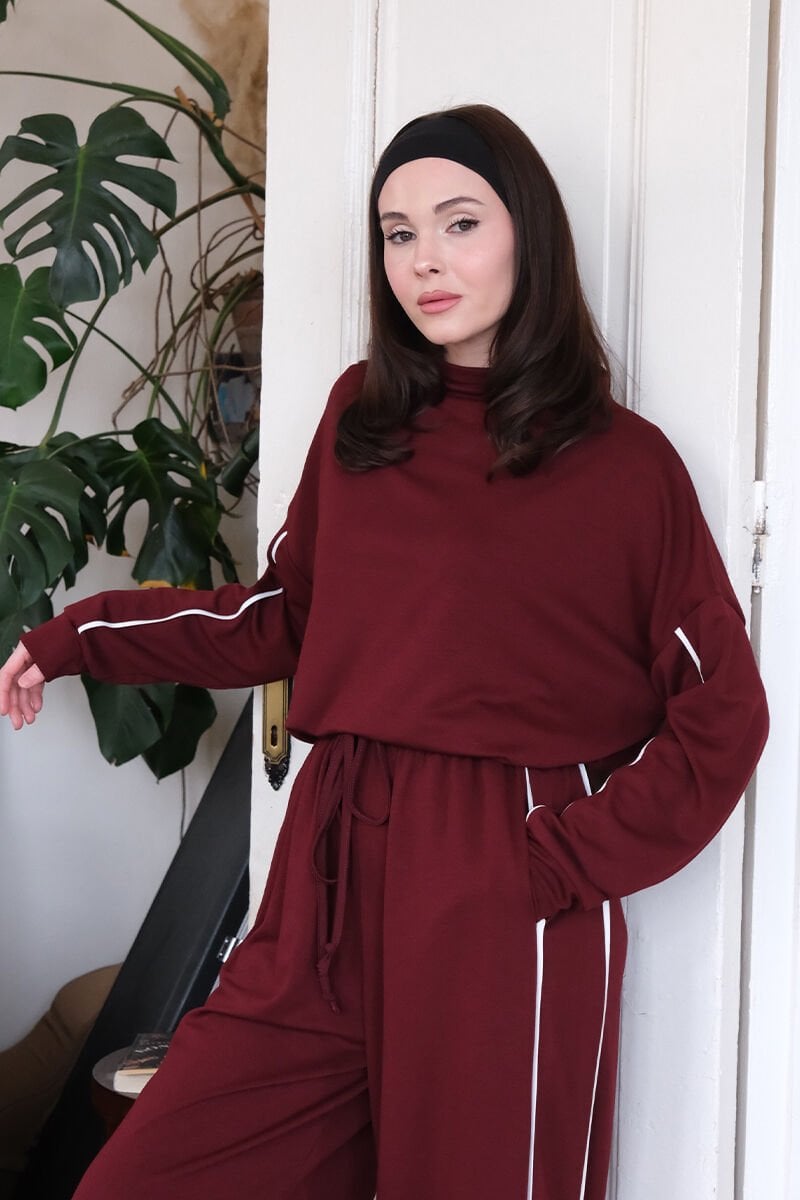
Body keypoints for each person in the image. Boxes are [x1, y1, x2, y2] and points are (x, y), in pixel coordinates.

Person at [0, 104, 768, 1200]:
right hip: (328, 867)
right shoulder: (360, 421)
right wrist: (79, 636)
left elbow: (722, 709)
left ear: (529, 236)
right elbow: (283, 619)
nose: (423, 261)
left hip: (499, 880)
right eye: (397, 233)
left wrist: (557, 862)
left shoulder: (623, 468)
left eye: (459, 223)